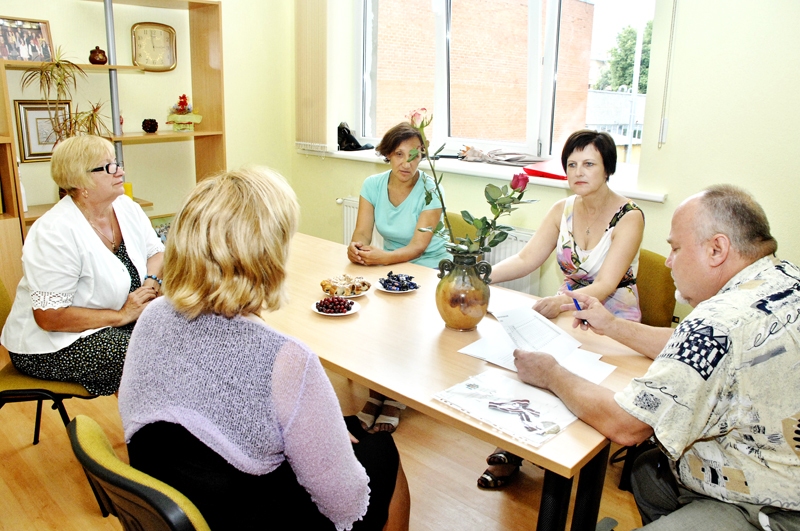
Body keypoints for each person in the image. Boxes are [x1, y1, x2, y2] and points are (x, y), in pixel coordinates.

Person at [118, 167, 411, 531]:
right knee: (383, 452)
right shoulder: (286, 359)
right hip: (245, 514)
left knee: (348, 429)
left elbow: (206, 404)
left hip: (182, 498)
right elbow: (346, 503)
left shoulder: (153, 316)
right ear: (269, 255)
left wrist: (322, 433)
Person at [515, 185, 800, 530]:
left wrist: (551, 374)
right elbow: (696, 344)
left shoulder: (719, 319)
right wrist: (611, 325)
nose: (668, 261)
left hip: (772, 505)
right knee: (647, 471)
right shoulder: (782, 278)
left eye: (676, 248)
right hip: (773, 464)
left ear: (717, 249)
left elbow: (628, 424)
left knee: (645, 456)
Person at [478, 129, 645, 488]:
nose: (579, 172)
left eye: (589, 164)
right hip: (566, 312)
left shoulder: (630, 216)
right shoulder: (562, 209)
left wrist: (560, 302)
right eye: (572, 164)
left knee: (575, 378)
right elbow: (526, 258)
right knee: (529, 364)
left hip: (611, 319)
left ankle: (567, 458)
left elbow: (604, 286)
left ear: (607, 169)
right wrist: (481, 274)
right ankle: (515, 447)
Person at [0, 136, 163, 396]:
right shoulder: (54, 232)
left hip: (113, 322)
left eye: (116, 163)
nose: (120, 171)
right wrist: (122, 315)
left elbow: (156, 253)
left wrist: (151, 283)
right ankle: (152, 429)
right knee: (149, 354)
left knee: (177, 334)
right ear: (80, 181)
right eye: (108, 167)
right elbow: (49, 317)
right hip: (51, 344)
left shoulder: (125, 207)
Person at [349, 121, 449, 434]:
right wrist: (357, 248)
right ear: (388, 155)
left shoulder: (432, 189)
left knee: (404, 325)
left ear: (423, 158)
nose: (407, 163)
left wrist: (382, 258)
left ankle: (395, 399)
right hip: (391, 263)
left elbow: (419, 247)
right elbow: (362, 232)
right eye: (399, 154)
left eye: (415, 156)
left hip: (429, 266)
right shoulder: (372, 184)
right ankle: (376, 392)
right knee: (374, 323)